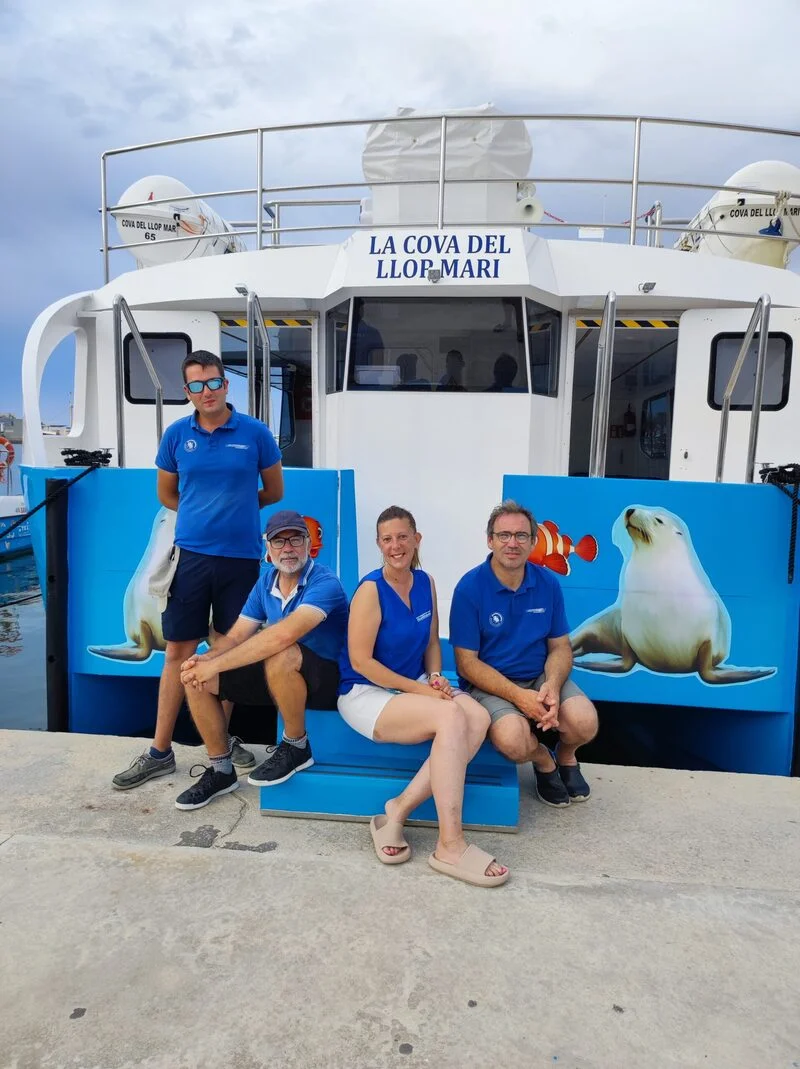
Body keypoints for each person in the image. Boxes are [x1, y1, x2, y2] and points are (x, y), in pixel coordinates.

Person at [111, 350, 284, 790]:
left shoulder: (256, 433)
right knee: (177, 654)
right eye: (196, 385)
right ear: (186, 392)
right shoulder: (175, 436)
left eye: (213, 382)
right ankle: (159, 751)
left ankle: (221, 747)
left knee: (227, 654)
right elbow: (169, 494)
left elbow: (274, 490)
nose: (206, 392)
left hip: (242, 561)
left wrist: (239, 507)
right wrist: (200, 515)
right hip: (190, 560)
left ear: (226, 385)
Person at [337, 506, 509, 888]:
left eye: (402, 536)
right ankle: (450, 845)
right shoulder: (370, 591)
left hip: (412, 683)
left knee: (477, 717)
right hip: (366, 692)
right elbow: (361, 662)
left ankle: (398, 809)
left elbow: (432, 642)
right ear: (378, 545)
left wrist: (434, 677)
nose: (395, 546)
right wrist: (424, 690)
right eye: (387, 539)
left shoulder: (425, 581)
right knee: (450, 717)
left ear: (417, 539)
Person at [175, 510, 348, 809]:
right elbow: (236, 636)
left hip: (329, 680)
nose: (288, 548)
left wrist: (215, 664)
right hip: (284, 676)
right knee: (196, 680)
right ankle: (221, 771)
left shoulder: (325, 582)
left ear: (308, 544)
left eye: (295, 539)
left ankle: (296, 746)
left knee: (281, 650)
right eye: (279, 542)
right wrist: (204, 662)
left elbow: (283, 636)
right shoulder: (266, 581)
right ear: (267, 548)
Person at [450, 500, 599, 807]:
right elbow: (466, 664)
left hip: (539, 676)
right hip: (491, 684)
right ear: (490, 540)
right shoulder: (469, 588)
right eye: (504, 535)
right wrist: (520, 698)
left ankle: (567, 756)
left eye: (521, 536)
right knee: (513, 742)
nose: (512, 543)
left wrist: (552, 687)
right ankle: (543, 759)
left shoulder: (548, 584)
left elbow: (559, 647)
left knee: (585, 722)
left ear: (533, 542)